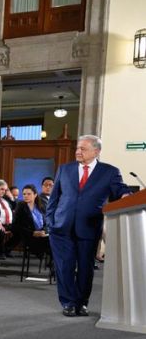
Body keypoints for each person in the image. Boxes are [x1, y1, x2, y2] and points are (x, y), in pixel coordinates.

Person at [46, 135, 129, 317]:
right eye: (77, 148)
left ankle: (82, 302)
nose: (78, 152)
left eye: (83, 149)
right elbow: (54, 199)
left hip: (89, 227)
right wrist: (50, 222)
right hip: (61, 227)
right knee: (65, 266)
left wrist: (125, 195)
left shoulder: (109, 172)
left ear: (96, 151)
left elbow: (121, 189)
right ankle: (68, 302)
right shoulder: (65, 169)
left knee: (85, 267)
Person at [12, 184, 49, 257]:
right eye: (24, 194)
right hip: (29, 236)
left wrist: (44, 231)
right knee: (52, 243)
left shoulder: (40, 207)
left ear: (35, 195)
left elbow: (47, 223)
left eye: (29, 194)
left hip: (42, 235)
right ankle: (53, 264)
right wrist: (33, 233)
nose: (26, 196)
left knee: (55, 240)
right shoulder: (20, 207)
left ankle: (53, 265)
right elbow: (15, 226)